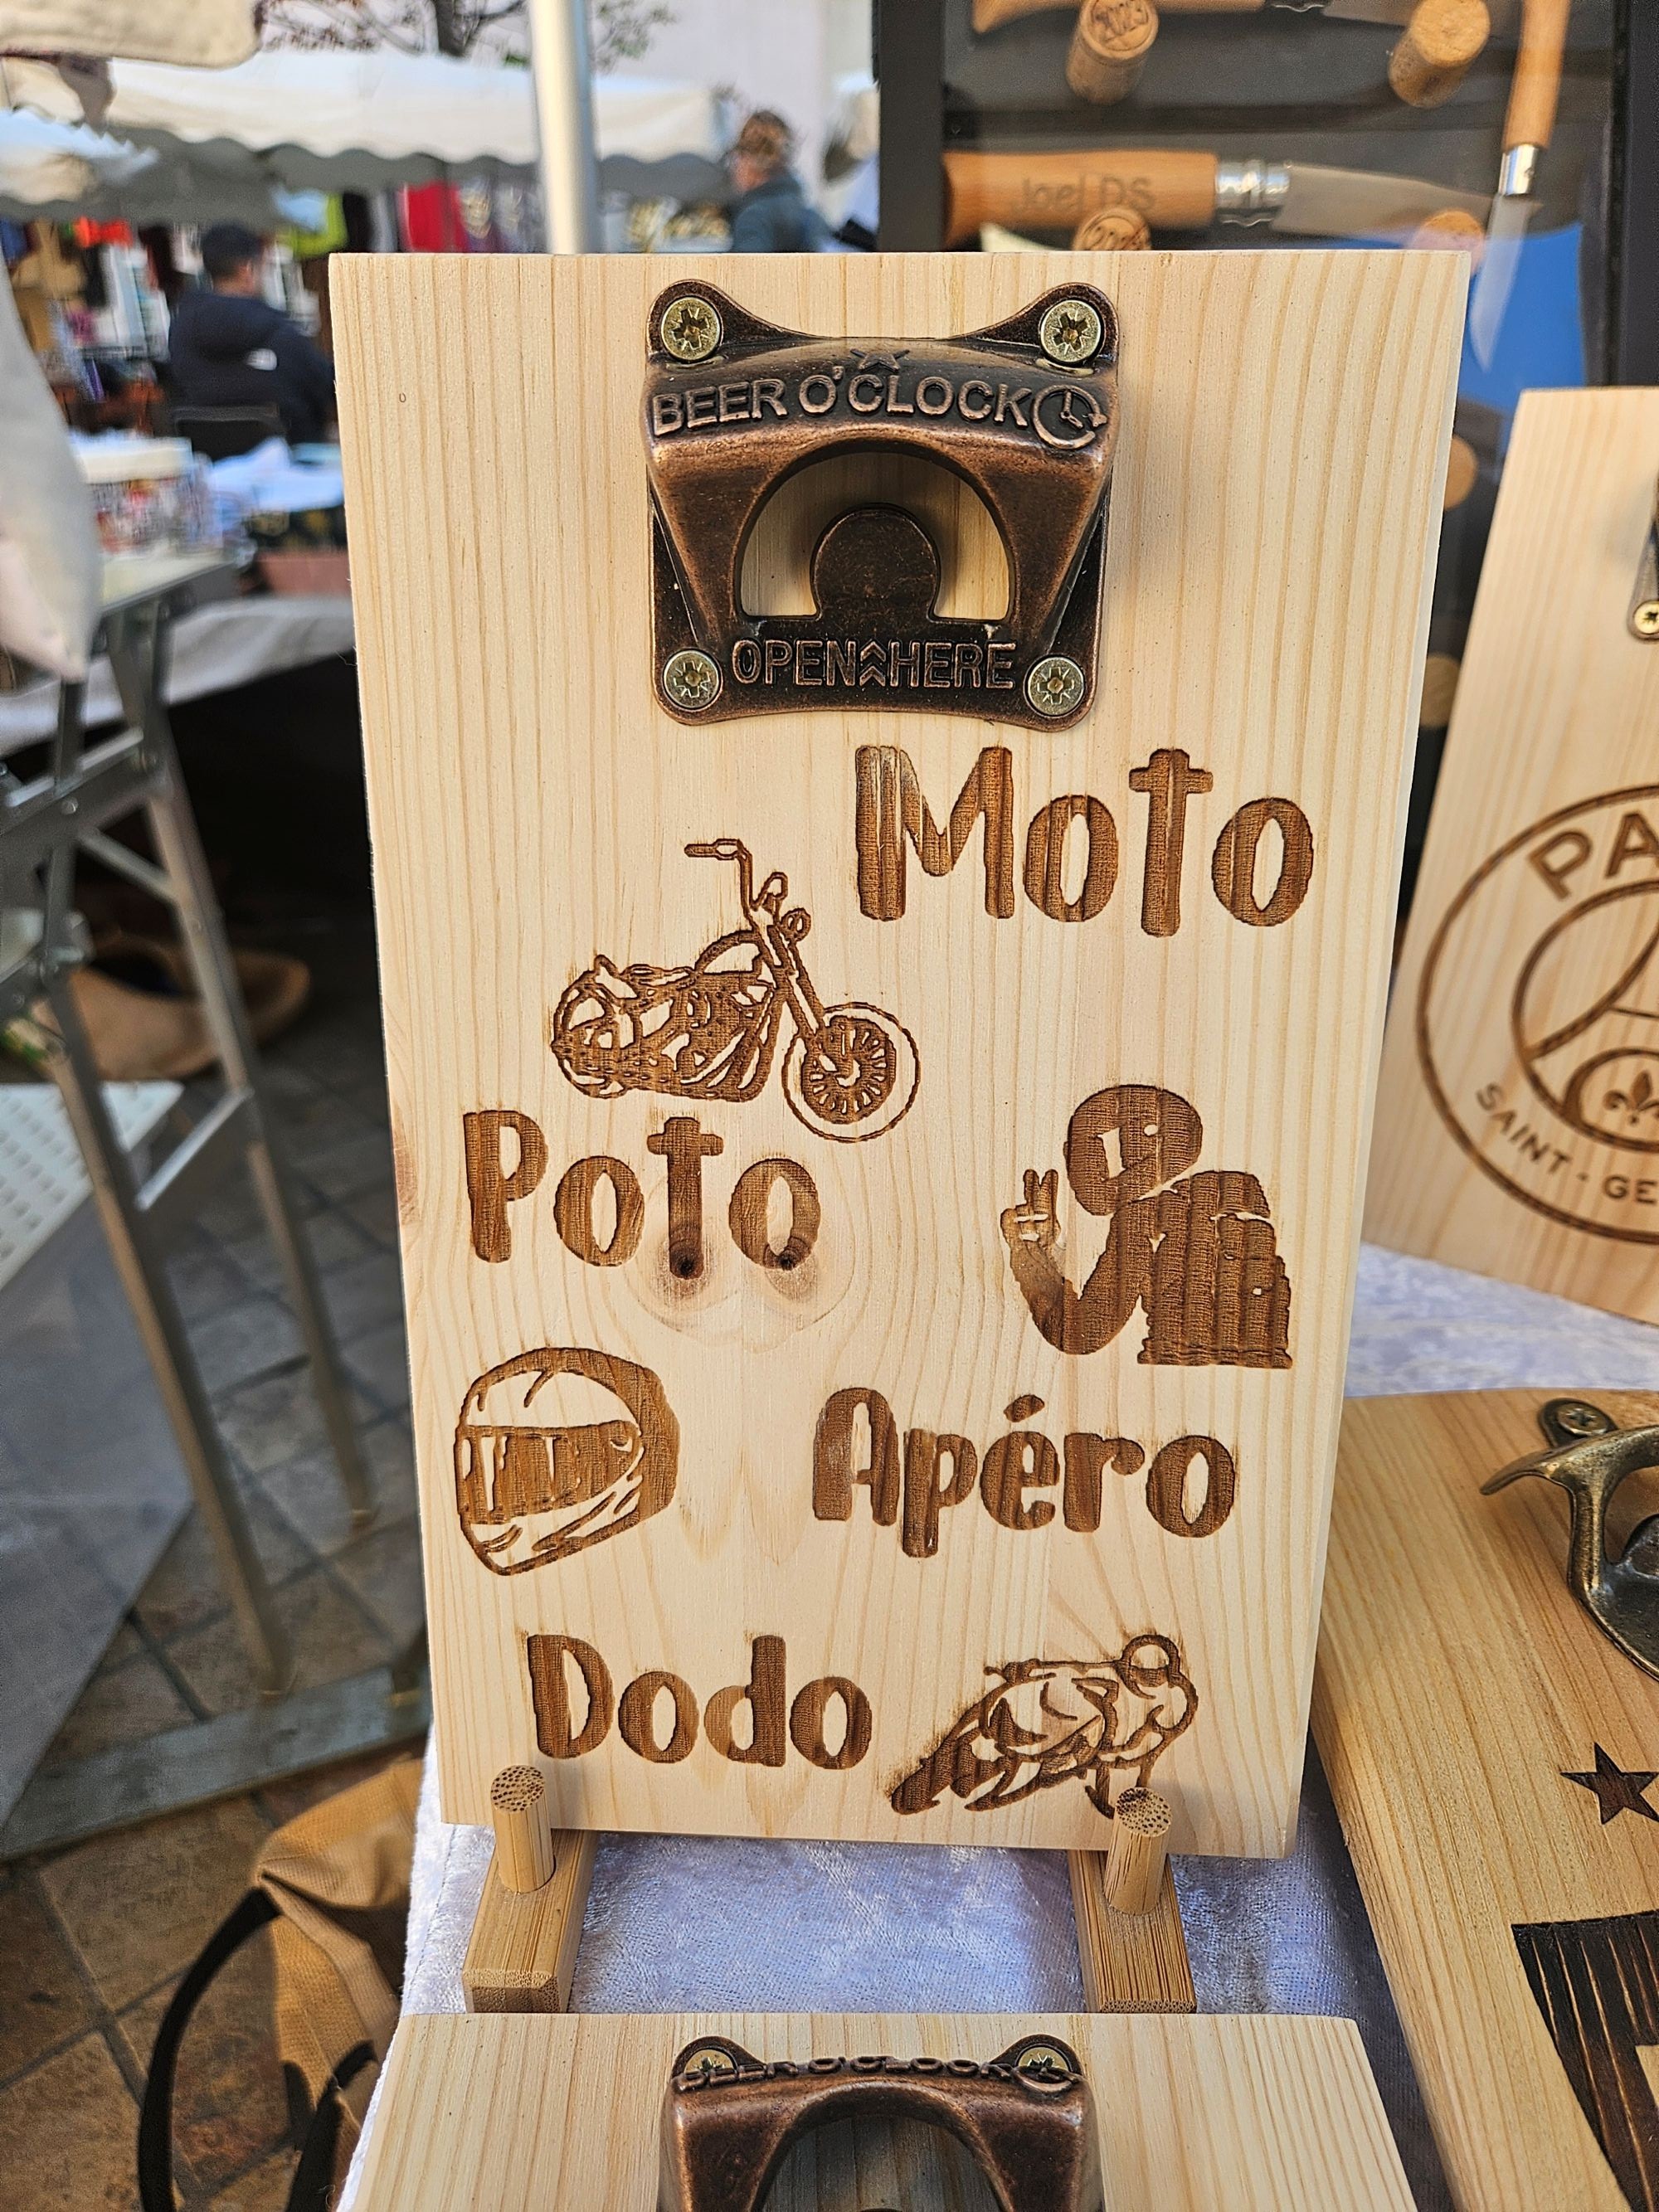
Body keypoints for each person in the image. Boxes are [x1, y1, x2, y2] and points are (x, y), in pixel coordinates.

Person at [168, 223, 335, 445]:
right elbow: (327, 383)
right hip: (293, 454)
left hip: (209, 458)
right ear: (247, 270)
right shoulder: (276, 329)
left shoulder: (180, 329)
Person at [727, 111, 829, 254]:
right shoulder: (813, 217)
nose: (735, 167)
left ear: (750, 161)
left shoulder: (754, 218)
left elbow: (748, 267)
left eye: (738, 157)